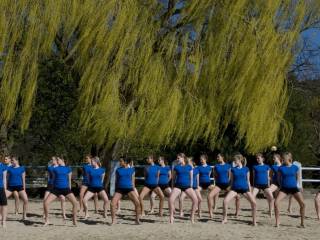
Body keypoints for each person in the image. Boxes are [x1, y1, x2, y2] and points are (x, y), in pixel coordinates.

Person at [222, 153, 256, 226]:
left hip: (245, 189)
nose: (234, 161)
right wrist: (228, 189)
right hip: (235, 189)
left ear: (240, 160)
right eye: (234, 160)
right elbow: (231, 181)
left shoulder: (246, 169)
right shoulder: (233, 169)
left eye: (235, 160)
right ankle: (225, 218)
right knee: (225, 201)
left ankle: (254, 221)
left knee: (254, 203)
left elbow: (248, 181)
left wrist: (250, 191)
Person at [43, 157, 78, 226]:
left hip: (66, 189)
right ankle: (47, 220)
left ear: (62, 160)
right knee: (46, 203)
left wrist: (70, 187)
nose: (57, 161)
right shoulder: (54, 168)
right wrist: (50, 163)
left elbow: (69, 178)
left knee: (75, 203)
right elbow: (48, 168)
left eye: (58, 159)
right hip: (56, 189)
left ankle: (74, 220)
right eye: (56, 160)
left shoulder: (68, 168)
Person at [274, 152, 305, 227]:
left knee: (303, 204)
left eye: (284, 158)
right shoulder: (281, 168)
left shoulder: (295, 167)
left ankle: (302, 223)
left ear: (288, 158)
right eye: (282, 158)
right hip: (284, 188)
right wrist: (280, 186)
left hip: (294, 188)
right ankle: (277, 222)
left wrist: (300, 186)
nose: (282, 159)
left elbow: (298, 178)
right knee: (276, 203)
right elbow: (278, 178)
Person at [168, 153, 198, 224]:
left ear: (183, 158)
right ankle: (171, 216)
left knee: (195, 200)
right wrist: (172, 187)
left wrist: (190, 186)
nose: (177, 159)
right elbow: (173, 178)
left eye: (178, 158)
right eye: (177, 158)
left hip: (187, 186)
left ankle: (192, 217)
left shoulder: (189, 166)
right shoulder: (176, 167)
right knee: (170, 200)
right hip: (178, 186)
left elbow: (191, 177)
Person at [111, 158, 141, 225]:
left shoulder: (132, 170)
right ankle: (113, 220)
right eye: (120, 161)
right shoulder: (118, 170)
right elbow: (116, 181)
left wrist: (134, 190)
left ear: (125, 162)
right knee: (112, 204)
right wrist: (115, 191)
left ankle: (137, 220)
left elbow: (133, 182)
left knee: (137, 203)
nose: (120, 162)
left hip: (129, 189)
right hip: (120, 189)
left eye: (121, 161)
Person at [208, 153, 236, 219]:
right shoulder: (216, 166)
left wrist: (229, 183)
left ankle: (236, 213)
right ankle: (211, 213)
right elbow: (214, 175)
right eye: (217, 157)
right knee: (209, 196)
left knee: (237, 197)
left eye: (218, 157)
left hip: (227, 185)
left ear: (222, 157)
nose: (217, 158)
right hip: (219, 185)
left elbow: (230, 176)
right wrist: (216, 181)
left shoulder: (228, 165)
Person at [251, 153, 274, 217]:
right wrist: (253, 186)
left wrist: (269, 185)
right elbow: (254, 177)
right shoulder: (254, 167)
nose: (257, 159)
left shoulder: (267, 167)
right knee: (252, 197)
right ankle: (254, 211)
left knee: (271, 198)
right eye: (257, 158)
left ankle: (270, 211)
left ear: (262, 159)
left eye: (259, 158)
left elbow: (268, 176)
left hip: (265, 185)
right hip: (256, 185)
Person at [0, 160, 8, 228]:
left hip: (1, 187)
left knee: (4, 204)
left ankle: (3, 221)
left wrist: (5, 189)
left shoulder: (3, 167)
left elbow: (4, 179)